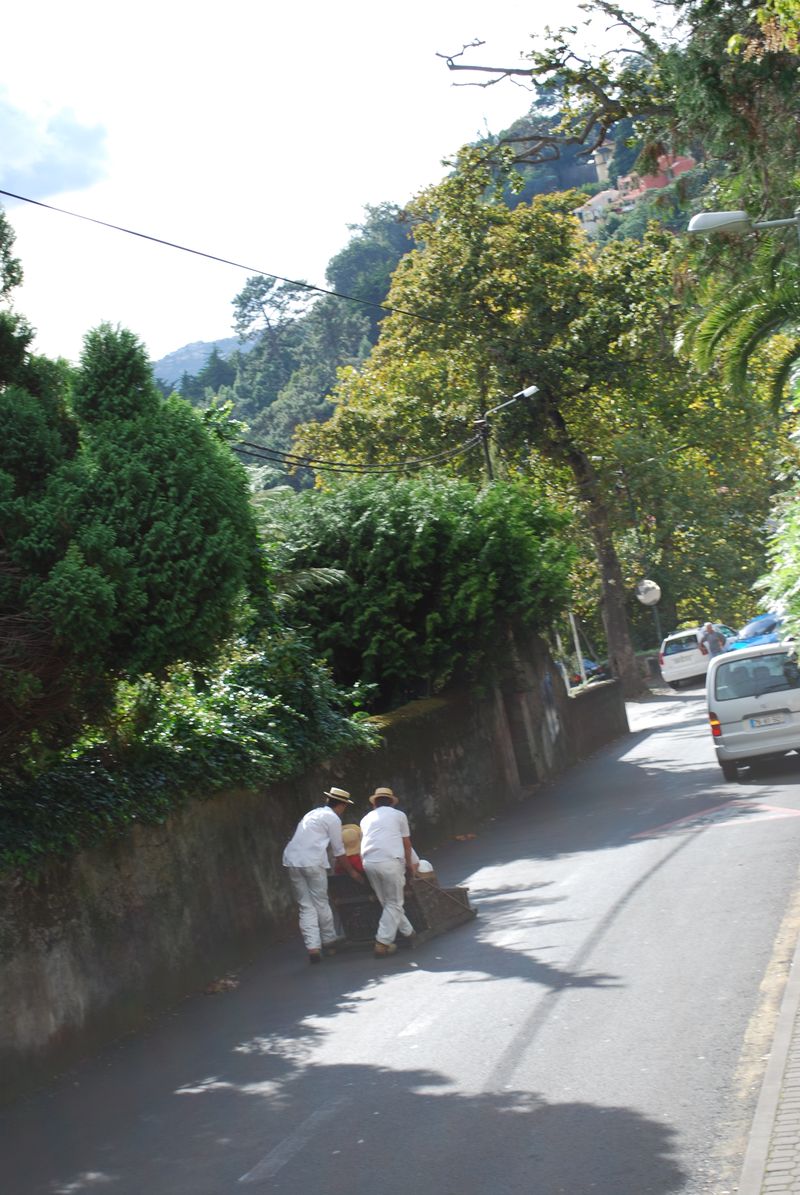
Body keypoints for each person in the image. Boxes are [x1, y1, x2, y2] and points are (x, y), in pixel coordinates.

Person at [283, 786, 364, 964]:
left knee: (305, 905)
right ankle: (329, 939)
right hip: (312, 862)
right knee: (320, 901)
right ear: (342, 805)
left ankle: (313, 947)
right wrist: (351, 872)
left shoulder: (312, 814)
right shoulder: (332, 819)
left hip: (292, 860)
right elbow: (339, 850)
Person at [360, 786, 418, 958]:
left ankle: (409, 932)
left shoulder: (365, 819)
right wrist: (410, 866)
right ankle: (382, 942)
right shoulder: (399, 815)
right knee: (394, 903)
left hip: (369, 862)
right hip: (390, 861)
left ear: (374, 805)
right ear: (391, 803)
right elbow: (406, 844)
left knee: (388, 902)